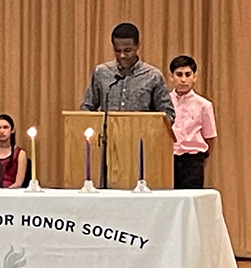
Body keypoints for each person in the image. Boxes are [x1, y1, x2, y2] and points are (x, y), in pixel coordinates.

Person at [80, 22, 175, 122]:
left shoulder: (152, 76)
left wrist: (150, 128)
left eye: (127, 51)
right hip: (108, 135)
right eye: (117, 51)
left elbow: (168, 114)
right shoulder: (101, 72)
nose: (122, 55)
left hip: (141, 135)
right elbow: (87, 108)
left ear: (137, 46)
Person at [168, 55, 217, 189]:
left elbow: (209, 137)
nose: (183, 79)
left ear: (194, 77)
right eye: (179, 74)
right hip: (168, 159)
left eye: (188, 74)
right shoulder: (164, 102)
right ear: (171, 77)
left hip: (193, 161)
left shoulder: (204, 105)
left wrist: (200, 158)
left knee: (190, 201)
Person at [0, 114, 27, 188]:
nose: (2, 131)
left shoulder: (20, 154)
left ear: (12, 130)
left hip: (12, 194)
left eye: (5, 127)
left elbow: (18, 183)